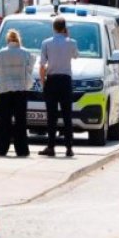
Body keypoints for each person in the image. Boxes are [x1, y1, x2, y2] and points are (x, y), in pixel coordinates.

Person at [40, 17, 78, 157]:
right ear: (64, 28)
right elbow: (75, 56)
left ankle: (51, 147)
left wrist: (43, 82)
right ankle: (69, 147)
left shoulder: (46, 43)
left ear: (53, 28)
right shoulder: (71, 42)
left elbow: (42, 65)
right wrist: (67, 37)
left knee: (52, 116)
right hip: (66, 80)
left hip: (52, 80)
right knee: (67, 115)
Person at [0, 29, 35, 158]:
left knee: (4, 120)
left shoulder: (1, 53)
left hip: (4, 89)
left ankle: (1, 149)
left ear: (7, 40)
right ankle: (22, 150)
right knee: (20, 121)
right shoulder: (25, 53)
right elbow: (29, 70)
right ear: (18, 40)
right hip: (20, 89)